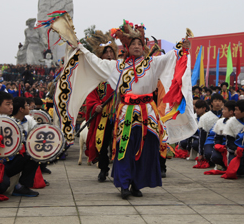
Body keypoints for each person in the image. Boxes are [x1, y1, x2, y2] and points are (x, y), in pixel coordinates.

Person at [46, 16, 196, 199]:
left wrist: (182, 47)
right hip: (126, 113)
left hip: (148, 112)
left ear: (143, 46)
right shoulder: (117, 66)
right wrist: (80, 47)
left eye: (139, 43)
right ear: (127, 47)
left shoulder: (153, 63)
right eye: (133, 44)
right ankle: (124, 183)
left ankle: (137, 183)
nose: (137, 46)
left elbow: (172, 57)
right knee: (124, 149)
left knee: (147, 148)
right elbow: (95, 62)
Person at [83, 31, 118, 182]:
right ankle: (103, 169)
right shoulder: (96, 73)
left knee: (119, 142)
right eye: (106, 52)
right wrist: (96, 105)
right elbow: (91, 93)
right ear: (101, 56)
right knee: (103, 143)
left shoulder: (120, 69)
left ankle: (119, 170)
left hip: (119, 113)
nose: (109, 54)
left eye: (111, 51)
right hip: (103, 113)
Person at [0, 94, 40, 197]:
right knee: (2, 187)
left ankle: (21, 186)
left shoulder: (26, 122)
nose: (11, 107)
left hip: (12, 160)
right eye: (8, 104)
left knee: (33, 154)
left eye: (11, 104)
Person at [197, 94, 224, 165]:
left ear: (222, 103)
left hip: (223, 142)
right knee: (209, 154)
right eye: (215, 101)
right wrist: (200, 153)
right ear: (211, 103)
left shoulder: (226, 115)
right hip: (210, 142)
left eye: (219, 101)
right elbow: (202, 136)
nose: (217, 103)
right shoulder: (205, 117)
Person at [210, 100, 236, 169]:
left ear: (231, 112)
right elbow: (217, 138)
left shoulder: (237, 123)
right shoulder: (220, 122)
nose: (222, 111)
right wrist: (218, 146)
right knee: (214, 156)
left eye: (224, 109)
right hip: (222, 147)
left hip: (233, 148)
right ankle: (223, 165)